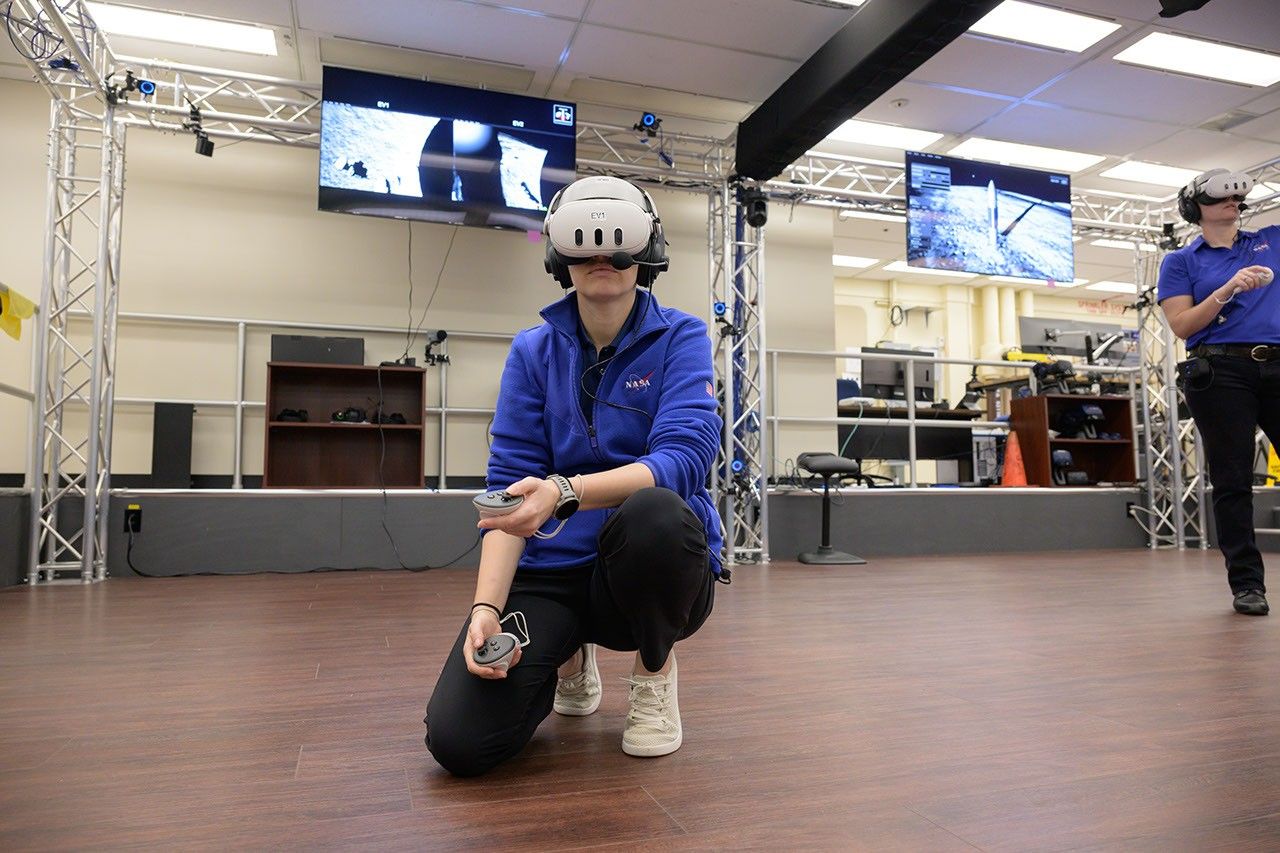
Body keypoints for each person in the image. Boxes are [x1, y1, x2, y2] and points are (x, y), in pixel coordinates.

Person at [424, 175, 727, 776]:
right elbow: (509, 486)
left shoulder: (683, 337)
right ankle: (568, 659)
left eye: (614, 246)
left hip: (641, 566)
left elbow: (686, 459)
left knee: (659, 512)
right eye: (583, 248)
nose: (601, 260)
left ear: (645, 252)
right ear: (561, 258)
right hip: (551, 574)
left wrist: (566, 491)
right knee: (460, 743)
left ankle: (653, 672)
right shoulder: (532, 351)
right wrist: (487, 605)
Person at [1159, 167, 1280, 616]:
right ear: (1197, 209)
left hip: (1277, 362)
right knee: (1231, 479)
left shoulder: (1271, 239)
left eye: (1236, 199)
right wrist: (1226, 291)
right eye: (1220, 199)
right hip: (1220, 370)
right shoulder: (1182, 261)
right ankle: (1248, 584)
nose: (1232, 203)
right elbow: (1182, 325)